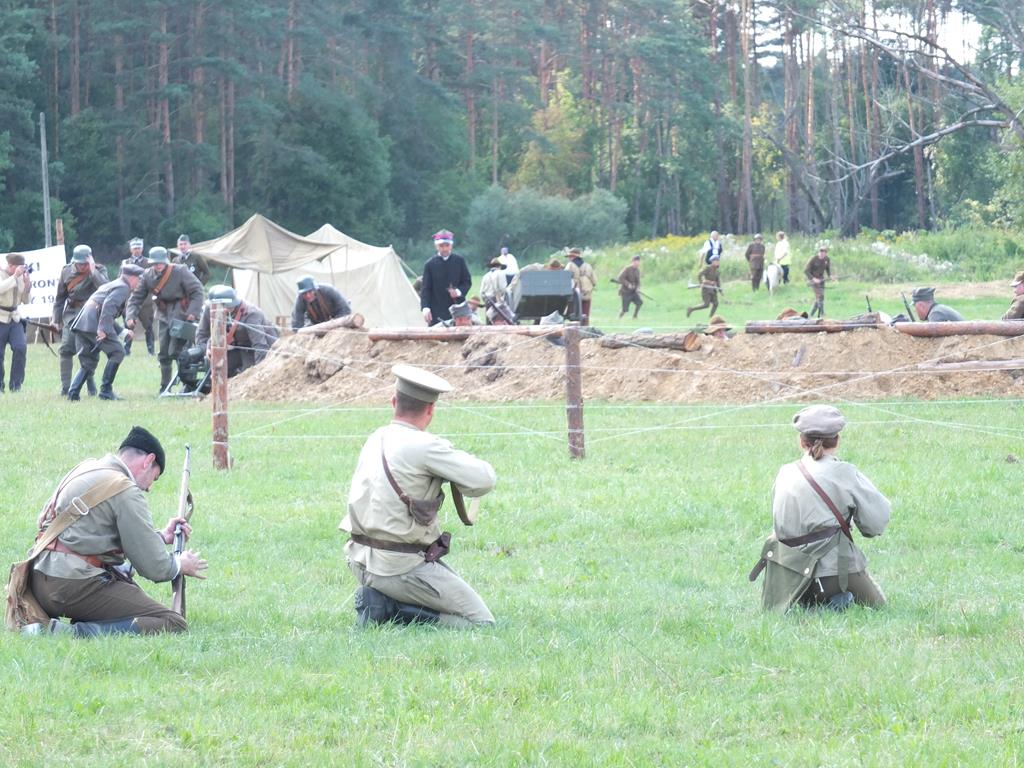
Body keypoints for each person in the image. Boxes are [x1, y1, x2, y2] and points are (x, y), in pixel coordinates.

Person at [340, 364, 497, 628]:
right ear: (431, 410)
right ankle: (390, 609)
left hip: (359, 559)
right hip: (398, 567)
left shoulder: (376, 436)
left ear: (393, 402)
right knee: (481, 623)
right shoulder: (426, 446)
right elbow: (484, 479)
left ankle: (378, 598)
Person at [25, 426, 208, 636]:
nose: (149, 487)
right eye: (154, 477)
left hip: (38, 582)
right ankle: (71, 633)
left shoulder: (86, 469)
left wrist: (160, 536)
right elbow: (155, 568)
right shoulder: (125, 489)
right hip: (70, 586)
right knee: (172, 622)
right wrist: (180, 564)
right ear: (148, 461)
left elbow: (87, 536)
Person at [758, 405, 890, 611]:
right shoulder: (845, 472)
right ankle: (836, 602)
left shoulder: (785, 472)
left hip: (789, 575)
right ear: (837, 440)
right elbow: (875, 524)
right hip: (835, 571)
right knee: (879, 608)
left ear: (801, 441)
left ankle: (815, 605)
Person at [126, 246, 206, 394]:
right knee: (164, 353)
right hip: (163, 315)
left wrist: (192, 313)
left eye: (161, 262)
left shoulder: (180, 271)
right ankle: (165, 387)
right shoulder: (147, 276)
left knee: (182, 353)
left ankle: (188, 385)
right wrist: (130, 316)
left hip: (182, 315)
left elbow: (198, 290)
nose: (158, 265)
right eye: (155, 263)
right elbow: (136, 298)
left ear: (166, 261)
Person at [67, 262, 144, 401]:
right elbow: (107, 308)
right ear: (132, 278)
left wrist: (122, 332)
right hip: (94, 322)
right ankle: (106, 391)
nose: (139, 283)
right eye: (139, 279)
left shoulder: (114, 284)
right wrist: (102, 329)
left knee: (88, 361)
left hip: (84, 322)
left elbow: (105, 310)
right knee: (117, 352)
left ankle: (73, 394)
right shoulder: (123, 287)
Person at [53, 244, 108, 396]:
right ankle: (66, 388)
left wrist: (93, 271)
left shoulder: (99, 270)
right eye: (79, 264)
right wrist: (56, 319)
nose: (82, 266)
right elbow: (60, 298)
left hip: (90, 315)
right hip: (71, 315)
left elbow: (105, 288)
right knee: (65, 349)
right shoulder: (66, 271)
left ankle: (90, 383)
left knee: (86, 352)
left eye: (85, 264)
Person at [197, 285, 278, 377]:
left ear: (226, 306)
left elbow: (260, 346)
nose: (213, 308)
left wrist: (260, 373)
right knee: (215, 365)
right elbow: (209, 333)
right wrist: (208, 348)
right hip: (238, 348)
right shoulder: (218, 310)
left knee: (247, 376)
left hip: (259, 349)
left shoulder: (251, 315)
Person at [420, 230, 472, 326]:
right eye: (441, 246)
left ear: (451, 246)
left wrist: (458, 292)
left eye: (447, 245)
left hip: (458, 309)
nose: (444, 249)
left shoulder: (459, 261)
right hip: (437, 309)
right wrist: (425, 308)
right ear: (436, 246)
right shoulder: (430, 264)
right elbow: (426, 289)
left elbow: (467, 281)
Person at [0, 253, 32, 393]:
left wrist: (27, 286)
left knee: (20, 347)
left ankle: (16, 385)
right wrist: (14, 277)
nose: (21, 269)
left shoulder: (20, 277)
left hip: (15, 318)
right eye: (19, 267)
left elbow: (26, 301)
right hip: (1, 317)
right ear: (11, 265)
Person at [126, 238, 155, 355]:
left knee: (148, 326)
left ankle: (151, 350)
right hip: (130, 300)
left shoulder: (149, 262)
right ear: (130, 249)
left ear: (142, 249)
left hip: (145, 301)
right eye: (134, 248)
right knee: (128, 326)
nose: (136, 250)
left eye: (138, 248)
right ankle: (126, 350)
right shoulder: (125, 263)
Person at [565, 247, 596, 326]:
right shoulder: (588, 266)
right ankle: (585, 328)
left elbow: (565, 278)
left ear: (573, 257)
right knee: (585, 314)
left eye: (570, 256)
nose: (569, 258)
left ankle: (574, 329)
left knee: (574, 314)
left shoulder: (570, 265)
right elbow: (594, 280)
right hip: (586, 293)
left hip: (574, 293)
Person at [687, 253, 722, 318]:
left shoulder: (717, 271)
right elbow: (699, 274)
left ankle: (711, 317)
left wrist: (720, 290)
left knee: (716, 303)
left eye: (718, 260)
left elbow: (718, 281)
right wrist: (701, 282)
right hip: (706, 289)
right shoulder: (707, 268)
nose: (717, 262)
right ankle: (691, 309)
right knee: (706, 304)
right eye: (716, 260)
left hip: (713, 290)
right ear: (712, 261)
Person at [804, 243, 834, 318]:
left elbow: (827, 269)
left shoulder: (827, 259)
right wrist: (813, 279)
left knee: (820, 298)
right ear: (818, 252)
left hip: (821, 280)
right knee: (820, 296)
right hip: (813, 281)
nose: (822, 253)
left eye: (823, 252)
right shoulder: (813, 259)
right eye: (820, 252)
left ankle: (810, 315)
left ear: (826, 253)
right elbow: (806, 271)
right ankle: (822, 313)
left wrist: (830, 276)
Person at [617, 254, 643, 319]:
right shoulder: (627, 269)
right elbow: (620, 277)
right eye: (636, 261)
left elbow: (638, 281)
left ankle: (635, 316)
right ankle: (619, 318)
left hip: (633, 291)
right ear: (633, 261)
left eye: (638, 261)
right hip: (625, 292)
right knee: (625, 309)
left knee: (639, 302)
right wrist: (628, 284)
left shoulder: (637, 270)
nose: (637, 263)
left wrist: (638, 288)